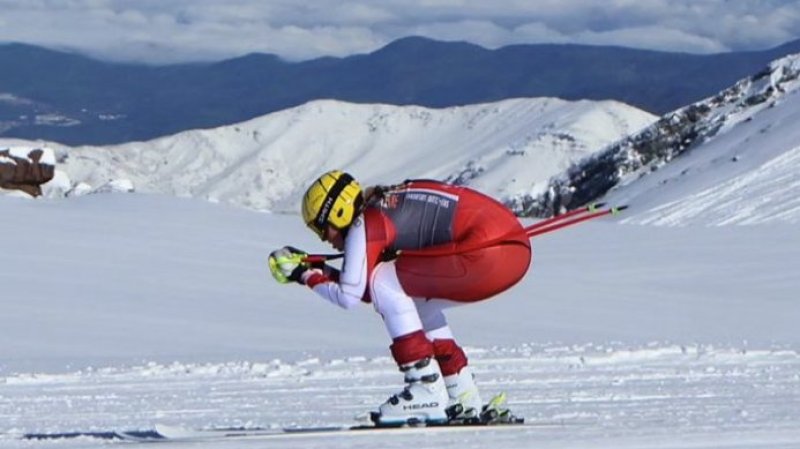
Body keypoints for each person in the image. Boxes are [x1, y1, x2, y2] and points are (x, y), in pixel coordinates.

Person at [269, 170, 532, 425]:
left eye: (321, 228)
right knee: (413, 298)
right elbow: (368, 290)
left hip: (486, 251)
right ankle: (462, 394)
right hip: (511, 250)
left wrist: (304, 275)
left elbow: (350, 295)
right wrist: (318, 269)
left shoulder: (365, 222)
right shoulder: (383, 206)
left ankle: (426, 388)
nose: (324, 239)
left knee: (384, 280)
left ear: (338, 213)